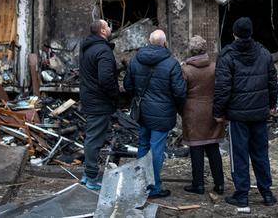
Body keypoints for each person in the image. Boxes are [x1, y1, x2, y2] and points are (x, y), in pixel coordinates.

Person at [214, 17, 278, 208]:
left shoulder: (227, 56)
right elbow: (272, 82)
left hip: (237, 116)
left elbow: (222, 88)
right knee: (260, 153)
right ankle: (266, 193)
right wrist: (272, 104)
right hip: (259, 113)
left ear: (234, 33)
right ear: (251, 32)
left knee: (239, 155)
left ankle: (242, 195)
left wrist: (218, 112)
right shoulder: (264, 53)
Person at [124, 29, 186, 199]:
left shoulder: (135, 60)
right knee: (157, 148)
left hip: (143, 111)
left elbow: (127, 85)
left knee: (143, 145)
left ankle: (140, 184)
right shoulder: (172, 63)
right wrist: (179, 108)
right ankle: (154, 187)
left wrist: (138, 96)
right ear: (164, 43)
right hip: (163, 112)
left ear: (149, 41)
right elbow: (180, 92)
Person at [181, 36, 225, 195]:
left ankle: (198, 184)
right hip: (212, 110)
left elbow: (181, 92)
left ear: (190, 50)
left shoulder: (185, 70)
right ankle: (219, 184)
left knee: (196, 147)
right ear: (205, 49)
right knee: (213, 146)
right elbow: (221, 88)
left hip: (192, 112)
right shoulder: (215, 67)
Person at [78, 19, 118, 190]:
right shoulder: (103, 50)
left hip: (90, 98)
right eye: (107, 26)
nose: (110, 28)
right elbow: (106, 79)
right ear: (102, 30)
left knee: (91, 136)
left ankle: (87, 174)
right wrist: (115, 95)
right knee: (94, 139)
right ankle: (92, 177)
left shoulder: (87, 49)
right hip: (99, 101)